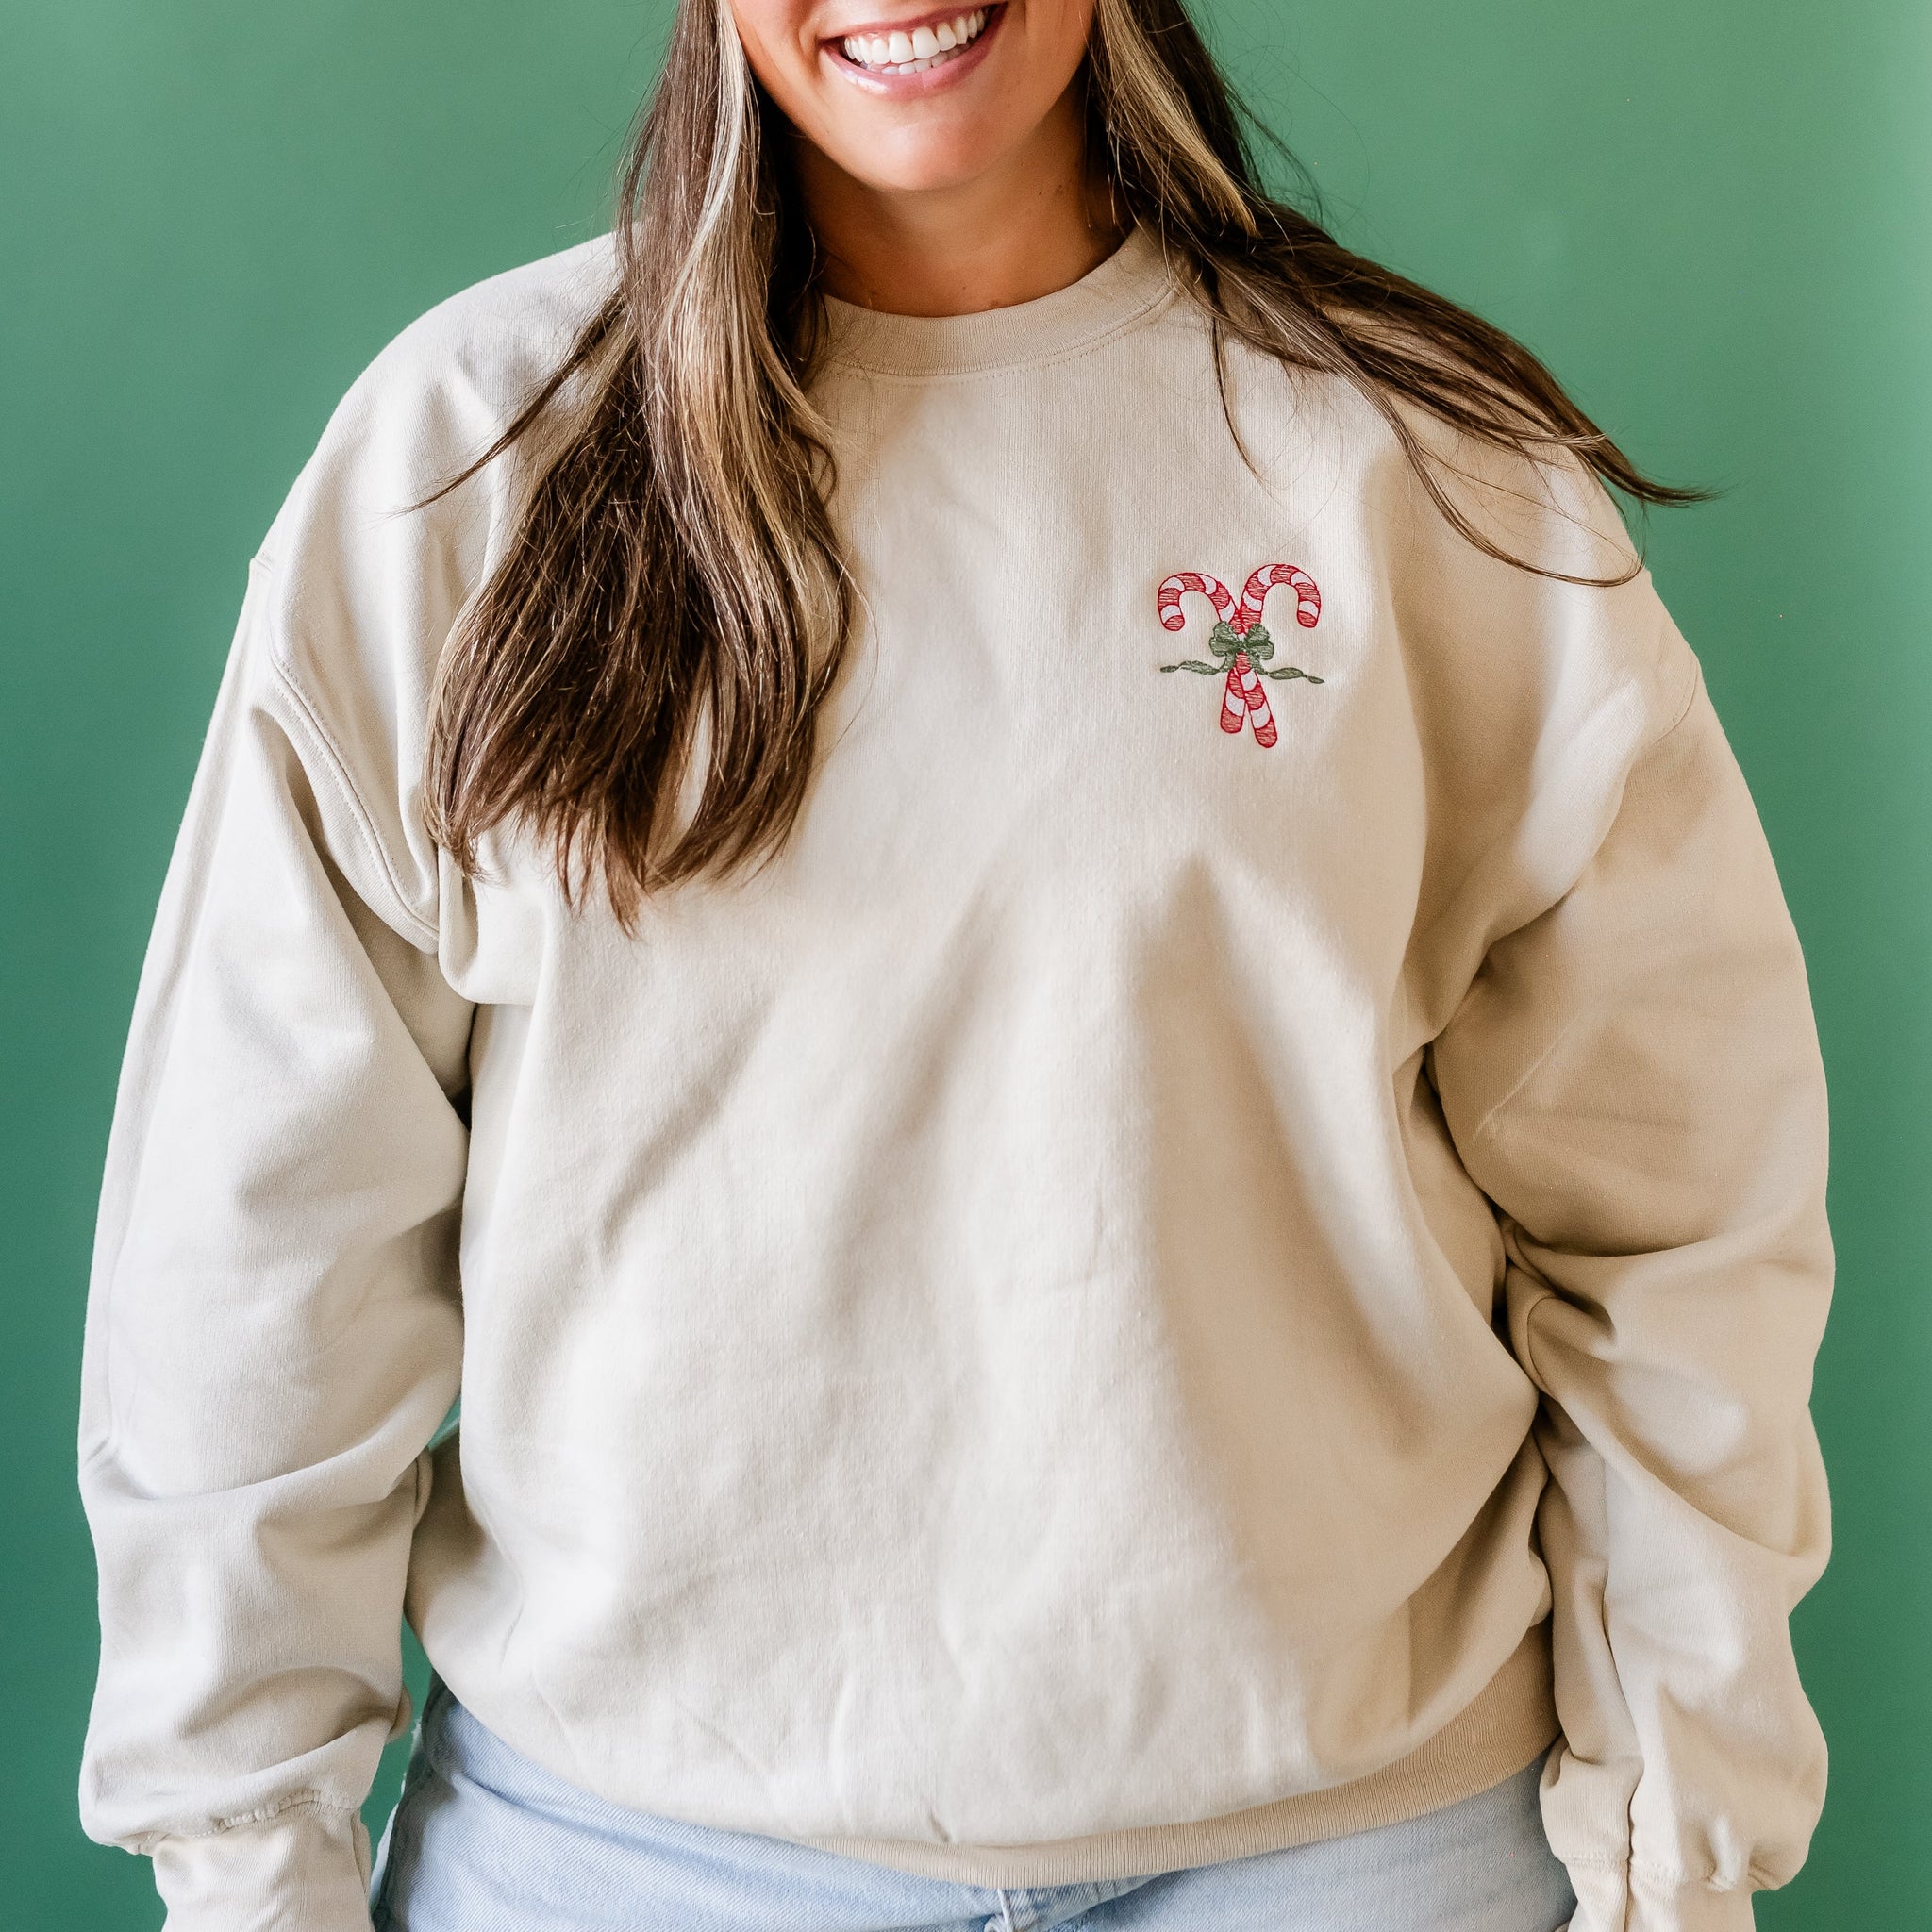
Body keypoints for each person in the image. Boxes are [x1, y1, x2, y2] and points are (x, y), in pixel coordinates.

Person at [75, 0, 1834, 1926]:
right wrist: (248, 1864)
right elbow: (258, 1246)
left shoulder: (1420, 466)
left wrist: (1678, 1846)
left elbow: (1678, 1217)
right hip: (623, 1860)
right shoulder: (465, 461)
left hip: (1352, 1851)